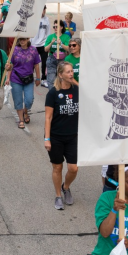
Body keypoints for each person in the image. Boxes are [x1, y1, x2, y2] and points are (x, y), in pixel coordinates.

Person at [45, 61, 79, 211]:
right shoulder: (53, 93)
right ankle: (58, 195)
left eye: (72, 71)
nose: (71, 74)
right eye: (68, 72)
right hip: (56, 137)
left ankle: (66, 187)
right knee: (57, 167)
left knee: (73, 168)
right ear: (60, 75)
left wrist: (75, 83)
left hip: (72, 136)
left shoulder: (77, 90)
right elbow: (48, 118)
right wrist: (47, 139)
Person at [10, 37, 41, 128]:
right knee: (18, 100)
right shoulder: (14, 49)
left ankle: (25, 111)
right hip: (16, 78)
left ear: (28, 39)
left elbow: (36, 65)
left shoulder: (33, 50)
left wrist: (38, 78)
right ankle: (21, 119)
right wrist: (7, 78)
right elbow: (10, 65)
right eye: (20, 39)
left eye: (24, 39)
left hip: (28, 79)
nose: (22, 41)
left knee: (29, 100)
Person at [43, 21, 71, 88]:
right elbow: (45, 49)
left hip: (62, 60)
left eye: (57, 27)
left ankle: (61, 93)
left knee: (63, 79)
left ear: (61, 27)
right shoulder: (50, 37)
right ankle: (52, 93)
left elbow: (68, 49)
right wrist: (51, 43)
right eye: (54, 27)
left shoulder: (66, 37)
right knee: (51, 80)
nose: (55, 28)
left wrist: (61, 44)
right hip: (52, 59)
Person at [33, 10, 51, 85]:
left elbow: (48, 32)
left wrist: (48, 43)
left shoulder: (46, 19)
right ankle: (30, 77)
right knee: (32, 62)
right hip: (34, 44)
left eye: (44, 10)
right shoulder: (33, 18)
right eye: (42, 9)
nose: (43, 11)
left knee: (44, 62)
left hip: (43, 44)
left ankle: (44, 79)